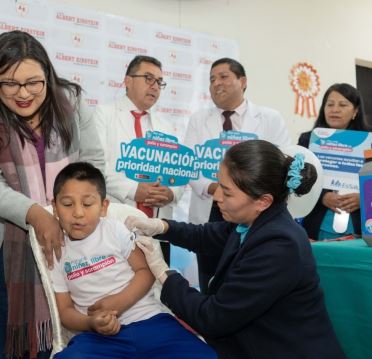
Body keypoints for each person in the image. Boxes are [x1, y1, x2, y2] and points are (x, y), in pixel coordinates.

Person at [0, 30, 104, 359]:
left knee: (76, 311)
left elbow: (93, 161)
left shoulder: (72, 101)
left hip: (73, 230)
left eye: (33, 82)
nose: (23, 93)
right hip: (5, 239)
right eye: (10, 83)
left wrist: (70, 210)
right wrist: (37, 215)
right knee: (12, 322)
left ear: (47, 76)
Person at [126, 140, 346, 359]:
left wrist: (164, 274)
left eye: (227, 192)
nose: (217, 196)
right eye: (219, 184)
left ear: (263, 201)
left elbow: (213, 318)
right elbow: (208, 236)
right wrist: (161, 227)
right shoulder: (257, 221)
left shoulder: (279, 245)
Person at [49, 162, 216, 359]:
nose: (78, 213)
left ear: (103, 207)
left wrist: (118, 303)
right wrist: (91, 323)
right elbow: (65, 310)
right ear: (54, 207)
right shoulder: (55, 250)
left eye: (87, 204)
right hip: (98, 337)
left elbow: (145, 272)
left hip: (150, 321)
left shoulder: (115, 229)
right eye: (68, 204)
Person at [184, 57, 291, 292]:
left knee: (248, 279)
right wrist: (216, 189)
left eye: (223, 77)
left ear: (243, 81)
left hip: (253, 211)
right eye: (212, 79)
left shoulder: (269, 118)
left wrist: (242, 192)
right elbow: (188, 164)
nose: (216, 83)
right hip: (210, 207)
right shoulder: (198, 120)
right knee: (210, 279)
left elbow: (281, 162)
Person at [92, 55, 182, 264]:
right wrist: (134, 190)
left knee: (159, 291)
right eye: (149, 78)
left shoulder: (166, 126)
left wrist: (171, 193)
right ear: (128, 80)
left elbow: (179, 175)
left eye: (159, 82)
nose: (155, 86)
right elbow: (95, 168)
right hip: (117, 224)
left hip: (157, 226)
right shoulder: (103, 114)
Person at [298, 83, 371, 240]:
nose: (334, 109)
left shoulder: (370, 141)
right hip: (317, 223)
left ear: (355, 111)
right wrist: (322, 196)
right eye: (329, 104)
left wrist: (364, 198)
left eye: (342, 105)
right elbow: (296, 179)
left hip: (363, 224)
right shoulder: (308, 140)